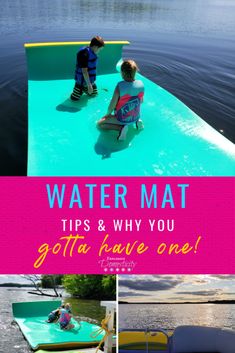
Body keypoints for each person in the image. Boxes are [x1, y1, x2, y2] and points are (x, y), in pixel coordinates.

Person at [97, 59, 144, 141]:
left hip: (122, 118)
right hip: (135, 116)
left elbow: (112, 105)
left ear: (122, 73)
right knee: (132, 111)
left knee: (100, 124)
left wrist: (107, 115)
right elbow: (141, 101)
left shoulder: (120, 86)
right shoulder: (141, 84)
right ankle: (137, 121)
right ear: (135, 71)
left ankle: (120, 128)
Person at [70, 36, 105, 101]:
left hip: (90, 81)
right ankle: (81, 89)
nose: (99, 51)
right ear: (95, 47)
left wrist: (90, 84)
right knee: (74, 99)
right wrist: (89, 85)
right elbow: (84, 71)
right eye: (99, 49)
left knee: (94, 95)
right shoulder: (84, 54)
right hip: (81, 83)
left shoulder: (92, 53)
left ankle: (86, 89)